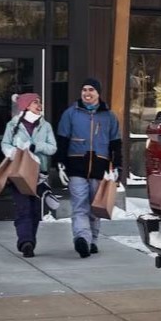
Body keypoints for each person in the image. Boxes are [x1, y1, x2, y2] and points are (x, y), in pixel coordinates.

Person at [55, 78, 122, 258]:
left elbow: (116, 144)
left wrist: (117, 166)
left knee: (95, 207)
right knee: (79, 206)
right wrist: (60, 162)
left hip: (100, 167)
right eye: (84, 89)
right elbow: (62, 140)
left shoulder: (109, 116)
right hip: (76, 166)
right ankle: (82, 239)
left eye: (91, 89)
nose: (87, 93)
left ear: (98, 93)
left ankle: (92, 240)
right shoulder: (71, 114)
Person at [0, 93, 58, 258]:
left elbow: (52, 148)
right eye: (35, 102)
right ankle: (26, 242)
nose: (39, 105)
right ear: (25, 106)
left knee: (34, 211)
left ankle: (30, 240)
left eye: (39, 102)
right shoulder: (13, 125)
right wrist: (13, 152)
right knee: (23, 208)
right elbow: (5, 143)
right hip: (19, 173)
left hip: (39, 175)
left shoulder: (45, 126)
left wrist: (35, 146)